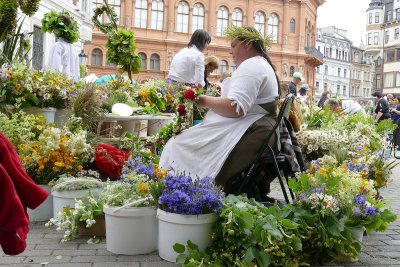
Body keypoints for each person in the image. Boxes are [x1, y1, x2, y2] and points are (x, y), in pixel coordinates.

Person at [160, 26, 280, 194]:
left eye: (233, 46)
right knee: (183, 140)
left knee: (177, 144)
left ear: (247, 44)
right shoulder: (259, 64)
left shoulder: (253, 66)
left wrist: (201, 100)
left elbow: (235, 108)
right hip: (250, 127)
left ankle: (184, 193)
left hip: (247, 129)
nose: (230, 52)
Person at [45, 14, 80, 80]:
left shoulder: (58, 46)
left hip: (59, 85)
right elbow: (77, 74)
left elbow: (55, 69)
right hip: (72, 87)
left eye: (54, 28)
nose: (53, 31)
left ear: (58, 29)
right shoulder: (74, 49)